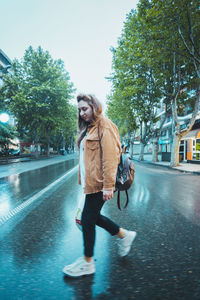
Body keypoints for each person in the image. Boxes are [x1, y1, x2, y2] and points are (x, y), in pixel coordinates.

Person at [63, 94, 137, 277]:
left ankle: (88, 262)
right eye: (79, 110)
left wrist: (108, 186)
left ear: (94, 106)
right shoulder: (89, 128)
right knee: (92, 217)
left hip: (99, 184)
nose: (81, 113)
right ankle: (124, 235)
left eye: (84, 109)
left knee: (87, 219)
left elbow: (111, 157)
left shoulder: (105, 125)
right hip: (91, 183)